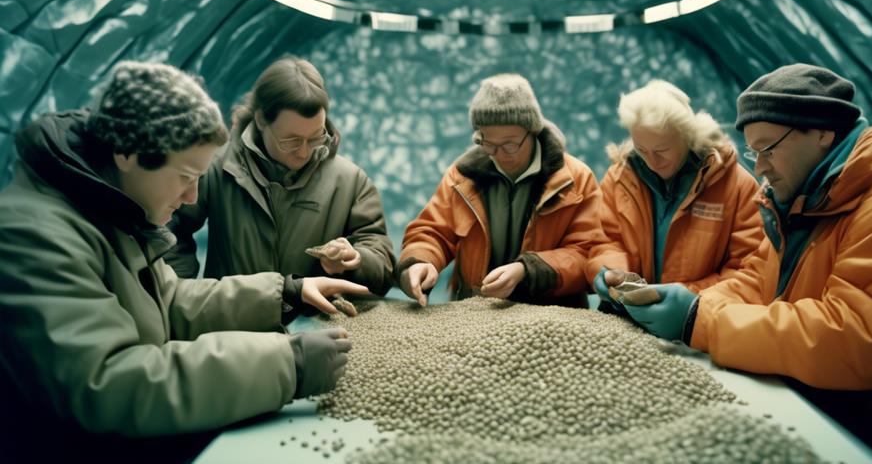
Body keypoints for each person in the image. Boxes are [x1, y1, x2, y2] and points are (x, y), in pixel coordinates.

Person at [619, 63, 872, 462]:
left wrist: (701, 321)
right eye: (753, 152)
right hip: (852, 425)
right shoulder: (810, 204)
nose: (761, 167)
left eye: (769, 148)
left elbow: (857, 337)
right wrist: (688, 301)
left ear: (823, 131)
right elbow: (759, 282)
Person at [0, 62, 369, 461]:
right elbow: (106, 383)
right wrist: (287, 363)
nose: (193, 197)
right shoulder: (32, 236)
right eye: (186, 175)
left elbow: (170, 302)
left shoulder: (109, 211)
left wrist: (287, 292)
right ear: (128, 153)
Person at [166, 57, 395, 295]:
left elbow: (383, 264)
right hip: (232, 325)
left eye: (316, 137)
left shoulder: (351, 182)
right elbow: (168, 227)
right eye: (291, 141)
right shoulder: (215, 167)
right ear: (261, 119)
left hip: (316, 326)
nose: (304, 152)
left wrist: (356, 259)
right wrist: (182, 292)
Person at [398, 73, 602, 307]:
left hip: (553, 316)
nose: (499, 154)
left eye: (510, 144)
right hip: (474, 312)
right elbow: (433, 231)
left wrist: (527, 270)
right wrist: (421, 262)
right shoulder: (461, 176)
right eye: (488, 143)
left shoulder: (575, 178)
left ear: (532, 130)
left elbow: (588, 252)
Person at [587, 80, 763, 312]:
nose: (651, 161)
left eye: (662, 150)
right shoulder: (618, 180)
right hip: (625, 315)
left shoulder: (737, 186)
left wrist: (687, 301)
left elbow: (748, 270)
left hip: (700, 321)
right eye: (641, 149)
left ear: (688, 137)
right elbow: (603, 241)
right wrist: (611, 273)